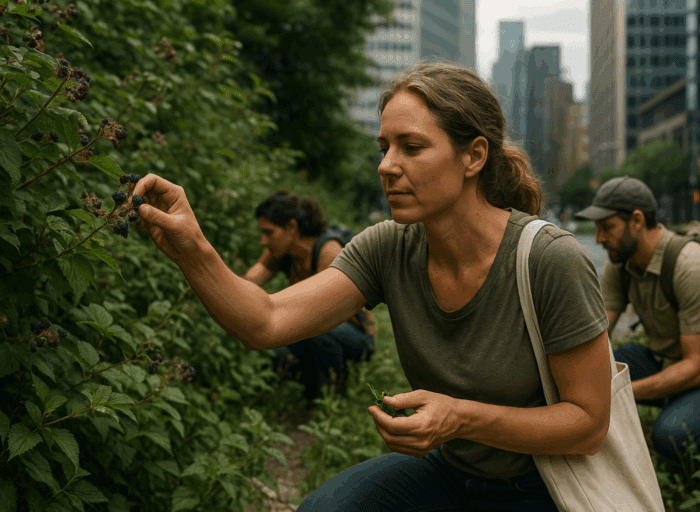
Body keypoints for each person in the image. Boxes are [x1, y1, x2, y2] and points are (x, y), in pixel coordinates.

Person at [133, 60, 613, 511]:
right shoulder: (389, 247)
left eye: (412, 147)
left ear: (474, 156)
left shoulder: (550, 259)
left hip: (545, 487)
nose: (386, 166)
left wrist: (459, 417)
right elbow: (266, 320)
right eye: (383, 148)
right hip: (451, 470)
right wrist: (193, 249)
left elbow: (588, 426)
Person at [575, 176, 700, 461]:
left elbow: (696, 367)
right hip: (664, 359)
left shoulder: (691, 267)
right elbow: (599, 333)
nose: (599, 239)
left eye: (607, 228)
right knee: (606, 368)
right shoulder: (620, 263)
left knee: (670, 435)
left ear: (637, 221)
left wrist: (619, 394)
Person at [243, 190, 376, 403]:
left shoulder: (329, 252)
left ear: (292, 227)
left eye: (268, 232)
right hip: (314, 329)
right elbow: (249, 282)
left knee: (311, 332)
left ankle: (325, 400)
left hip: (352, 335)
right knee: (272, 351)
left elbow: (322, 315)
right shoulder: (281, 251)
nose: (262, 241)